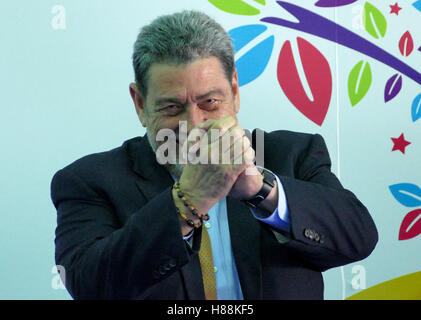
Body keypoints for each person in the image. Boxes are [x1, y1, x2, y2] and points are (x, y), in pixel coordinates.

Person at [50, 10, 378, 300]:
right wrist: (187, 201)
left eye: (209, 102)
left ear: (234, 92)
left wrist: (261, 191)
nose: (193, 125)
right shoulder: (89, 180)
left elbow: (359, 237)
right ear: (140, 103)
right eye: (171, 107)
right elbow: (88, 284)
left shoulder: (291, 153)